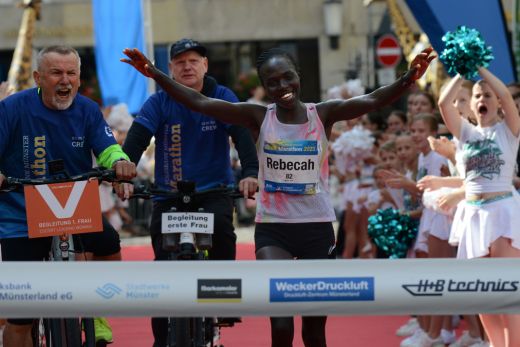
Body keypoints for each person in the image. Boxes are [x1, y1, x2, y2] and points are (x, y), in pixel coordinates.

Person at [121, 45, 435, 347]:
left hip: (317, 228)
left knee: (313, 333)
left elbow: (372, 100)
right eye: (272, 83)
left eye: (287, 77)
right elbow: (200, 103)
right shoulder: (259, 117)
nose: (282, 87)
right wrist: (154, 73)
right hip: (274, 231)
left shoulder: (322, 114)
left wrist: (408, 79)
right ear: (265, 88)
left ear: (298, 76)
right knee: (282, 328)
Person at [120, 38, 259, 347]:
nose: (187, 66)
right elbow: (137, 139)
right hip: (168, 195)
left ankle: (222, 303)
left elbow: (243, 137)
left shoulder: (222, 96)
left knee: (223, 231)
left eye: (193, 60)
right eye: (180, 62)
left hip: (214, 192)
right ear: (170, 68)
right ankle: (161, 340)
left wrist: (250, 173)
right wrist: (124, 171)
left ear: (205, 65)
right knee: (162, 267)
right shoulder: (158, 102)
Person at [0, 46, 136, 347]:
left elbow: (107, 146)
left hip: (73, 207)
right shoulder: (11, 108)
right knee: (20, 317)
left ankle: (99, 308)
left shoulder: (87, 108)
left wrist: (118, 162)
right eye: (56, 73)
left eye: (71, 73)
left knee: (109, 242)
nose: (65, 80)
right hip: (19, 215)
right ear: (38, 77)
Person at [438, 67, 520, 347]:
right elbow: (443, 103)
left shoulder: (508, 131)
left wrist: (482, 68)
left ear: (497, 102)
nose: (482, 99)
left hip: (503, 214)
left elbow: (509, 99)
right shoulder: (465, 133)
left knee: (508, 296)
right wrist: (462, 71)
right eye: (477, 95)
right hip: (473, 217)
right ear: (471, 104)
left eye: (488, 95)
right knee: (482, 297)